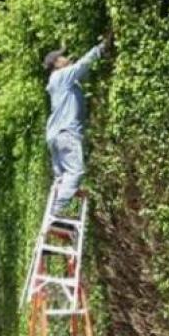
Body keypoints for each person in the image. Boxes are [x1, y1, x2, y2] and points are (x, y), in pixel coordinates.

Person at [43, 33, 112, 217]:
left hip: (54, 136)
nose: (66, 58)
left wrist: (69, 65)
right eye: (62, 56)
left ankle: (54, 214)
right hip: (67, 133)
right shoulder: (61, 76)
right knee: (76, 171)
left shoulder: (57, 81)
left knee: (62, 178)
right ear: (56, 63)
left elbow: (76, 71)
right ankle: (56, 215)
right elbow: (82, 65)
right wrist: (101, 48)